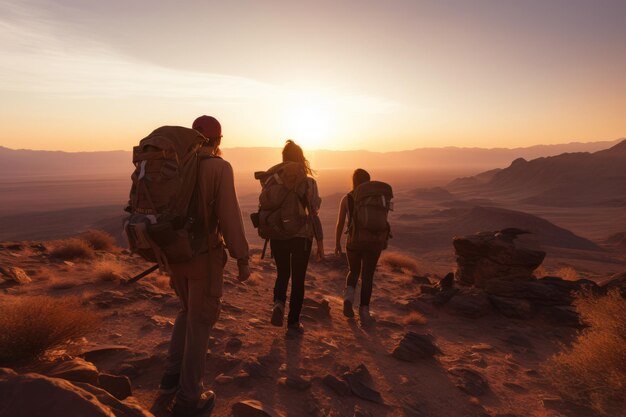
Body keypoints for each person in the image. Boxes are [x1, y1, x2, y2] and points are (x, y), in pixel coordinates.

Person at [160, 115, 250, 417]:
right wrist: (242, 256)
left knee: (186, 311)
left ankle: (169, 379)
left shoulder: (172, 166)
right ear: (218, 140)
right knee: (200, 324)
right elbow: (229, 215)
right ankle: (189, 398)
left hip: (173, 254)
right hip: (203, 257)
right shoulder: (218, 167)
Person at [269, 140, 324, 336]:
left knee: (282, 273)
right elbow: (314, 209)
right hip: (302, 235)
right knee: (298, 279)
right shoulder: (308, 181)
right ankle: (293, 322)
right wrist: (320, 240)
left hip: (277, 233)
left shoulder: (272, 179)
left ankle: (278, 303)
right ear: (301, 158)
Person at [335, 168, 382, 324]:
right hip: (373, 242)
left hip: (354, 241)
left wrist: (337, 243)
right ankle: (364, 312)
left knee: (354, 271)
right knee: (367, 276)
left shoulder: (347, 198)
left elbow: (340, 223)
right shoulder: (377, 198)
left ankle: (348, 299)